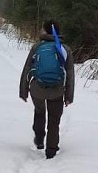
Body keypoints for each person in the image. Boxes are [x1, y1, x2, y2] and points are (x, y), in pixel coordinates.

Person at [19, 21, 74, 159]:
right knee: (54, 119)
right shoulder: (63, 49)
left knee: (39, 112)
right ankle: (51, 149)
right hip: (57, 90)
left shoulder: (37, 47)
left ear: (45, 31)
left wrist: (23, 90)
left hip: (37, 89)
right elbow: (70, 74)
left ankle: (39, 140)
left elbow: (27, 69)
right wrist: (69, 95)